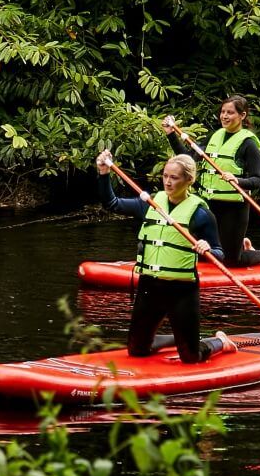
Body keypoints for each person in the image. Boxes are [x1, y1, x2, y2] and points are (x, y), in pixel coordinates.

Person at [96, 150, 235, 364]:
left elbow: (219, 254)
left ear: (189, 180)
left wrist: (206, 248)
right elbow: (112, 204)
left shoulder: (201, 214)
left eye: (174, 177)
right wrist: (104, 174)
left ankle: (218, 342)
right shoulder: (150, 203)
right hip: (149, 286)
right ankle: (179, 339)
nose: (168, 182)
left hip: (182, 290)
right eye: (165, 176)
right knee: (137, 350)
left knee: (191, 357)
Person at [162, 95, 260, 266]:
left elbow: (257, 181)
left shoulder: (249, 144)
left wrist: (237, 180)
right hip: (208, 205)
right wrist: (171, 135)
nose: (224, 116)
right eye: (222, 112)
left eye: (230, 112)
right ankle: (241, 244)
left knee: (232, 261)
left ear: (242, 116)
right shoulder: (215, 136)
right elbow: (187, 158)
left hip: (233, 208)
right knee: (202, 252)